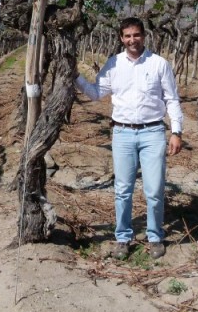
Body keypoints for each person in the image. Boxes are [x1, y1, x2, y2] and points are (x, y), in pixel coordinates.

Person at [74, 17, 183, 260]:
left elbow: (172, 99)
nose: (132, 40)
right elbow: (96, 93)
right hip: (122, 133)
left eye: (136, 35)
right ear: (121, 38)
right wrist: (74, 76)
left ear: (144, 36)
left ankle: (155, 236)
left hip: (153, 132)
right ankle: (123, 237)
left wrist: (176, 131)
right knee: (123, 190)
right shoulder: (113, 64)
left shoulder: (159, 64)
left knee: (154, 190)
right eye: (127, 36)